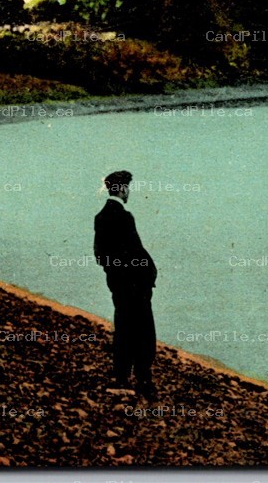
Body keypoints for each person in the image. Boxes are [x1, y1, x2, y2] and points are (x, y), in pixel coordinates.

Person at [93, 170, 158, 398]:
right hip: (135, 285)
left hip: (119, 285)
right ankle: (143, 378)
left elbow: (100, 254)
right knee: (143, 330)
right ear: (121, 189)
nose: (129, 192)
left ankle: (121, 376)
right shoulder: (124, 216)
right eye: (127, 188)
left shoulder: (100, 217)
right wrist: (146, 274)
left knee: (123, 328)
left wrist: (116, 273)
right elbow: (135, 251)